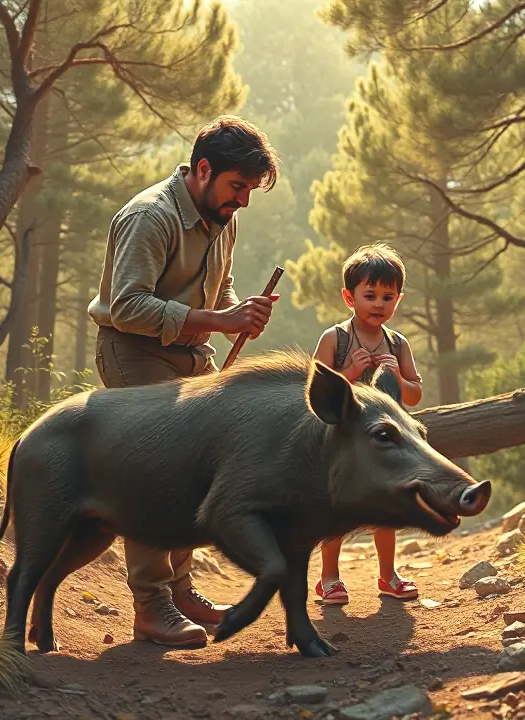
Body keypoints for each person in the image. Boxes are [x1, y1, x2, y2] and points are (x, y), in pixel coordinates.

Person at [88, 115, 280, 647]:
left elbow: (220, 286)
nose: (243, 200)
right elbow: (126, 307)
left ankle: (180, 589)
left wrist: (239, 313)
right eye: (237, 186)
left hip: (190, 354)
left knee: (198, 472)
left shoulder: (222, 214)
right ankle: (151, 606)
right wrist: (220, 320)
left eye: (250, 190)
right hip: (134, 353)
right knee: (154, 474)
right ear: (203, 169)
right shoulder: (149, 217)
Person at [310, 244, 424, 606]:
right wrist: (350, 371)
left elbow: (414, 394)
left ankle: (388, 575)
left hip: (383, 441)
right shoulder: (335, 338)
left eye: (388, 297)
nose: (378, 304)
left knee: (386, 507)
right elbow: (313, 390)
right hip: (341, 437)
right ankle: (329, 579)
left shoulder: (398, 343)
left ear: (398, 300)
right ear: (349, 297)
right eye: (369, 295)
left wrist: (396, 376)